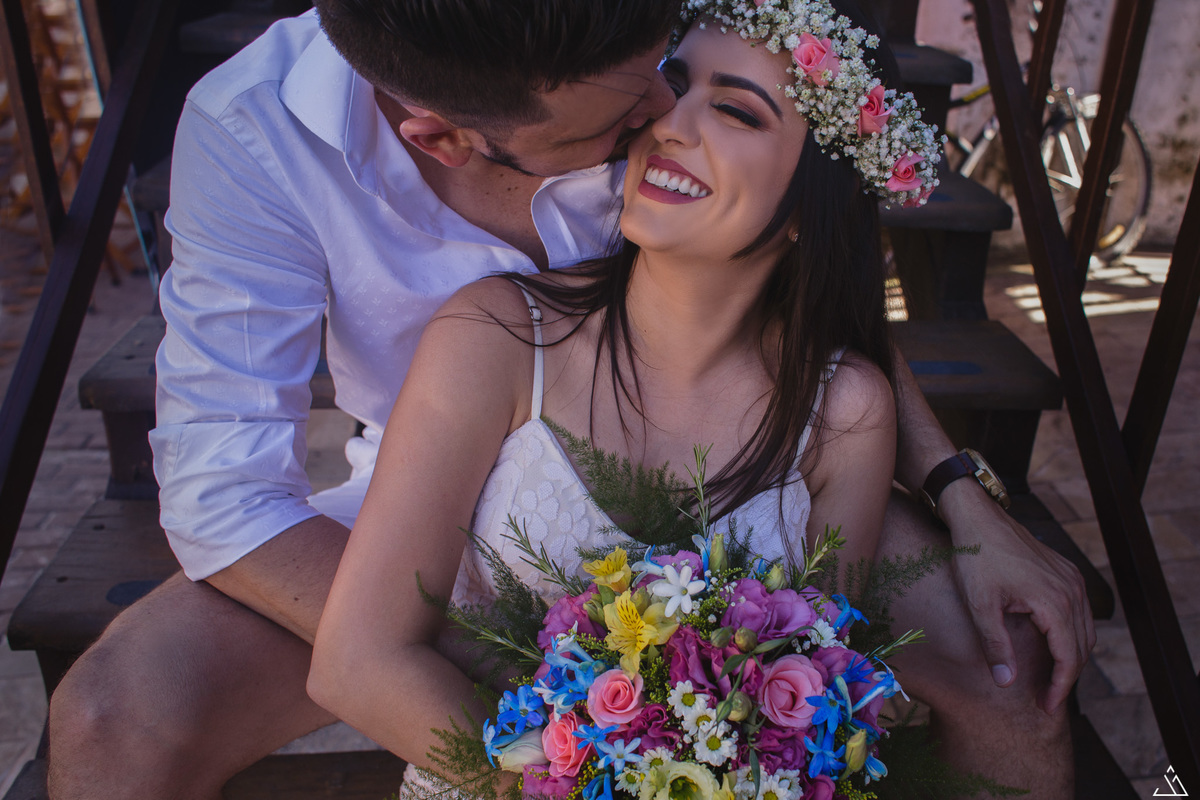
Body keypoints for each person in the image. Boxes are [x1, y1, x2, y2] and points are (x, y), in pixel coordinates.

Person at [45, 0, 1092, 797]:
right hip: (447, 500)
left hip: (728, 458)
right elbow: (222, 499)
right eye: (628, 112)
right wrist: (572, 686)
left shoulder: (623, 32)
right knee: (111, 710)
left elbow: (813, 297)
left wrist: (962, 489)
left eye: (672, 79)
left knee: (1014, 678)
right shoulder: (255, 134)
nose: (662, 117)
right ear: (444, 137)